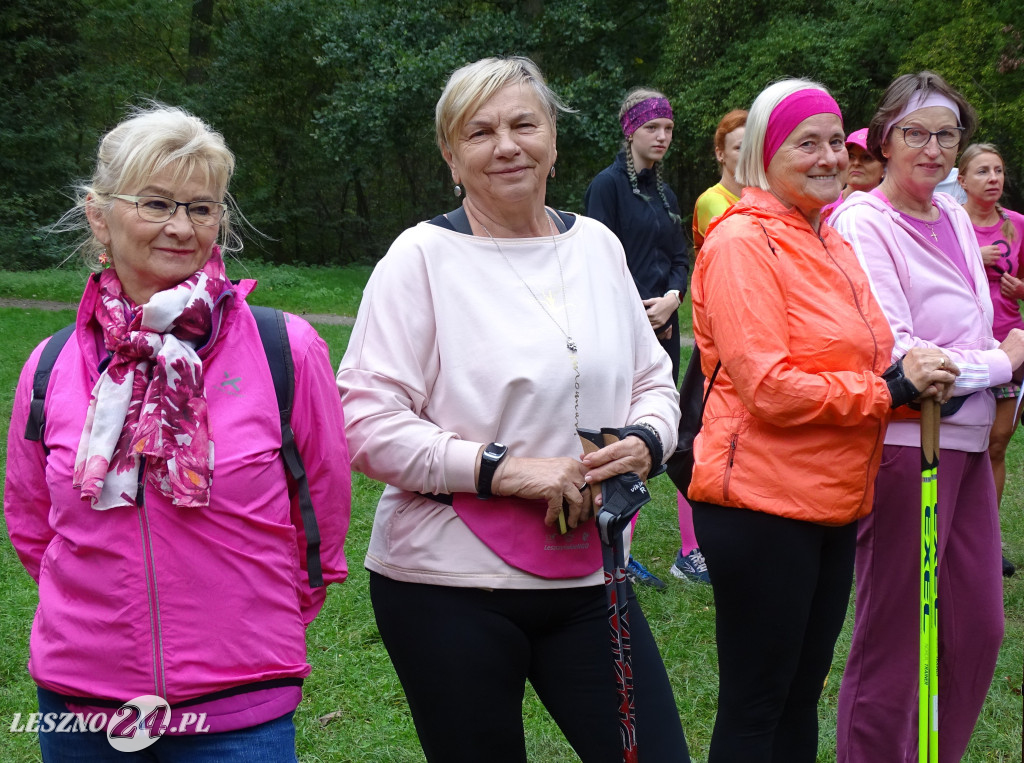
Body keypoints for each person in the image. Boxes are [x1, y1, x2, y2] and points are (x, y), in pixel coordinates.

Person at [337, 57, 689, 762]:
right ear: (451, 155)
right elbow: (369, 423)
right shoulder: (421, 258)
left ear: (554, 141)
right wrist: (507, 470)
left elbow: (655, 376)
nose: (506, 145)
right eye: (480, 131)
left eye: (524, 124)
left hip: (593, 572)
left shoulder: (597, 245)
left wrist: (649, 439)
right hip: (448, 584)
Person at [3, 104, 351, 761]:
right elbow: (32, 522)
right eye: (157, 203)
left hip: (240, 698)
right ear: (98, 215)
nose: (181, 226)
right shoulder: (49, 364)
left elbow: (324, 513)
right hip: (83, 700)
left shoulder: (286, 347)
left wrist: (252, 620)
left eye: (200, 207)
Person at [688, 78, 957, 762]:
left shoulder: (831, 238)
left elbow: (874, 351)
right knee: (757, 703)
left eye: (837, 141)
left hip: (833, 501)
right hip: (760, 504)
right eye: (807, 143)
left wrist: (917, 376)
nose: (830, 157)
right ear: (765, 154)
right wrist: (887, 390)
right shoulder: (743, 242)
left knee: (799, 697)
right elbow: (770, 386)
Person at [830, 71, 1024, 762]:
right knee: (897, 636)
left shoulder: (951, 217)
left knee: (976, 627)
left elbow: (964, 334)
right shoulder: (863, 221)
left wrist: (982, 357)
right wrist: (1001, 363)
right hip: (907, 441)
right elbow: (904, 354)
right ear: (885, 138)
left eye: (947, 134)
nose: (934, 149)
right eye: (916, 132)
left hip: (965, 440)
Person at [584, 87, 690, 589]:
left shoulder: (665, 196)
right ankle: (611, 548)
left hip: (662, 325)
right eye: (653, 128)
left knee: (648, 433)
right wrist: (634, 311)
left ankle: (626, 549)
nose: (662, 137)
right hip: (620, 325)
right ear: (631, 131)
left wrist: (673, 297)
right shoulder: (606, 187)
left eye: (668, 129)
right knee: (616, 433)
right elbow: (599, 261)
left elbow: (680, 256)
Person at [667, 108, 750, 586]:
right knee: (697, 434)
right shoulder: (712, 201)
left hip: (747, 336)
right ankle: (691, 548)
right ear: (722, 152)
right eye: (737, 147)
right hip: (715, 335)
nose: (745, 156)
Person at [958, 142, 1024, 577]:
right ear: (962, 180)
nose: (993, 179)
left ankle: (985, 541)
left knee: (996, 443)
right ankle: (957, 536)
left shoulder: (1018, 225)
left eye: (997, 171)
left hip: (1010, 349)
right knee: (965, 447)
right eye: (982, 171)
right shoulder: (950, 221)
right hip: (965, 351)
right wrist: (972, 262)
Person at [692, 108, 747, 257]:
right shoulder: (711, 200)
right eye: (740, 148)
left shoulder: (766, 196)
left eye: (752, 147)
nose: (748, 154)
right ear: (720, 154)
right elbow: (741, 246)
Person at [821, 127, 884, 221]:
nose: (856, 163)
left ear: (884, 167)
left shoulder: (888, 212)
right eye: (850, 156)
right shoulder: (823, 204)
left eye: (867, 158)